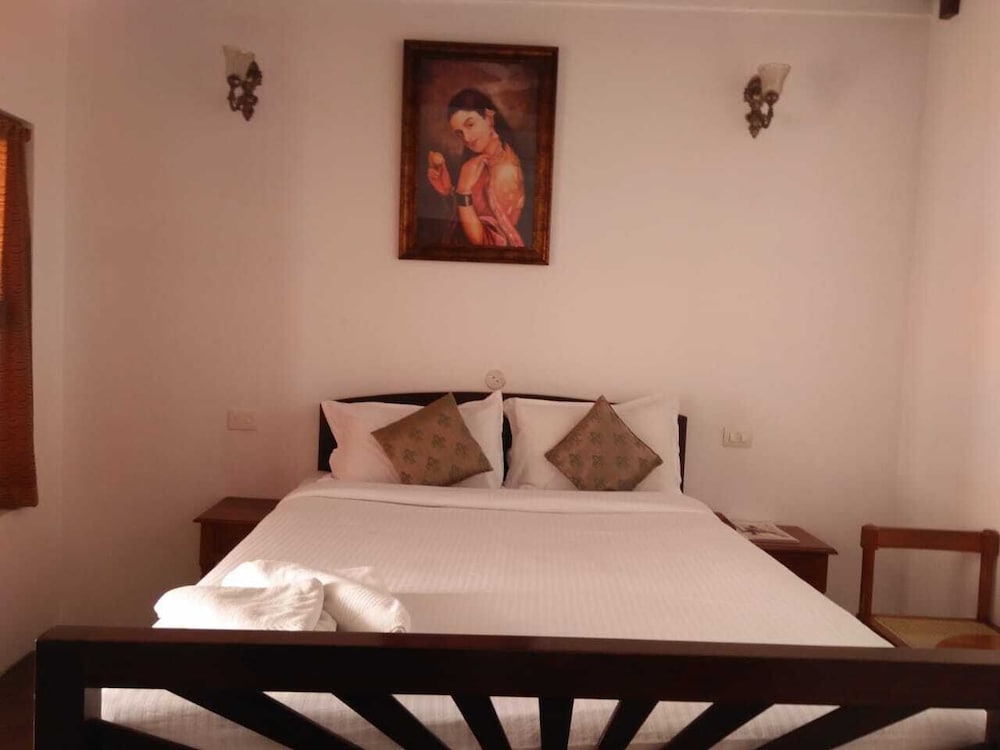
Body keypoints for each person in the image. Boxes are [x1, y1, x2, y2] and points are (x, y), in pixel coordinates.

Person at [426, 88, 526, 247]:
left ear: (489, 117)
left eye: (470, 125)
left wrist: (463, 191)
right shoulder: (479, 162)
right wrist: (447, 191)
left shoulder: (505, 170)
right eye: (459, 133)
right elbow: (470, 214)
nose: (466, 138)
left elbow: (484, 243)